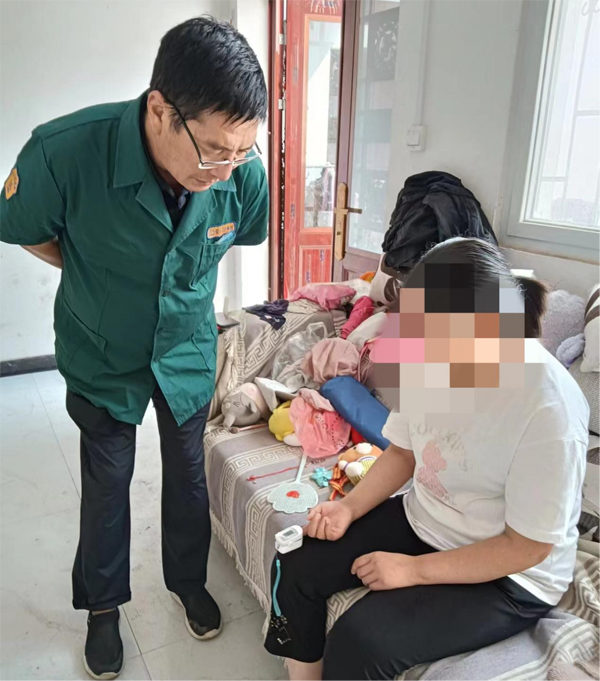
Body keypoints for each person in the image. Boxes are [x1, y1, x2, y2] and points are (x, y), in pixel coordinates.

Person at [0, 16, 268, 681]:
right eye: (214, 150)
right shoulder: (64, 153)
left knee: (188, 475)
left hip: (185, 352)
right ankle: (102, 608)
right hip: (102, 351)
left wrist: (227, 166)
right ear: (159, 111)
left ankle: (187, 581)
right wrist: (86, 266)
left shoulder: (240, 171)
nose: (226, 169)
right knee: (107, 482)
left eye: (241, 151)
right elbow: (22, 226)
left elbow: (237, 231)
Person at [264, 238, 589, 681]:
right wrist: (348, 507)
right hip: (428, 519)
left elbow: (527, 547)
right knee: (295, 561)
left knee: (361, 641)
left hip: (512, 575)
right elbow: (404, 451)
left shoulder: (549, 408)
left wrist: (414, 571)